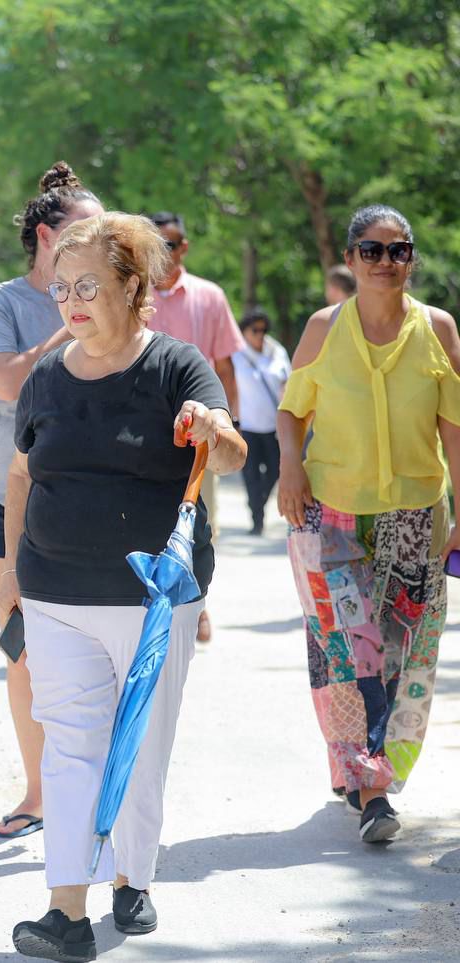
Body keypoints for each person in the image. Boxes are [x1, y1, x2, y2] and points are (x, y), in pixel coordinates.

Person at [0, 212, 245, 961]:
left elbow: (230, 455)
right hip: (55, 593)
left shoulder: (177, 365)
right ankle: (65, 909)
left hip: (153, 599)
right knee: (72, 747)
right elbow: (19, 476)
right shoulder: (46, 373)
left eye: (89, 287)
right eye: (62, 287)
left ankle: (132, 878)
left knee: (137, 747)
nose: (71, 302)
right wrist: (11, 578)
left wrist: (210, 428)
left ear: (135, 286)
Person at [277, 204, 460, 845]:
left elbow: (455, 431)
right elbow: (292, 411)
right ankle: (371, 791)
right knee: (347, 649)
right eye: (373, 249)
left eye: (400, 249)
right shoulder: (323, 329)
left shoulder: (438, 327)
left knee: (404, 649)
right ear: (351, 259)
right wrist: (290, 470)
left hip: (416, 511)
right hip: (332, 510)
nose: (388, 261)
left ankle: (362, 771)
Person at [0, 161, 101, 839]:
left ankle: (99, 793)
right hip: (3, 496)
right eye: (88, 230)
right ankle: (38, 792)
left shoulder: (119, 295)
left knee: (97, 646)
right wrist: (74, 316)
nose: (104, 241)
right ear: (48, 237)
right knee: (26, 647)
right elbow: (7, 384)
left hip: (93, 499)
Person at [147, 211, 244, 642]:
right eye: (156, 244)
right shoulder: (129, 295)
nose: (166, 253)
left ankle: (198, 601)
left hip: (202, 432)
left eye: (172, 244)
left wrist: (229, 428)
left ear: (184, 246)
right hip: (144, 431)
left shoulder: (209, 296)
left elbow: (224, 367)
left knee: (201, 521)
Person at [231, 309, 291, 535]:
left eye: (263, 330)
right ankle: (257, 519)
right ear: (244, 331)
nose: (260, 335)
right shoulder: (235, 354)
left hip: (273, 426)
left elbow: (288, 382)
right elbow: (229, 389)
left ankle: (257, 503)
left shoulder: (277, 352)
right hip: (247, 426)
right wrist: (232, 420)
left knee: (276, 470)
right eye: (255, 330)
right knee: (251, 475)